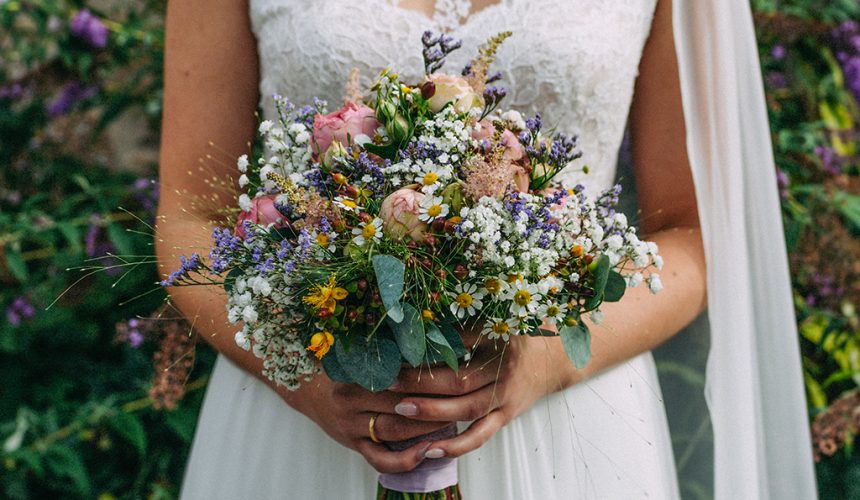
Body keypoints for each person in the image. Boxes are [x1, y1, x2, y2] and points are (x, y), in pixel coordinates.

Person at [156, 0, 816, 498]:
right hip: (304, 421)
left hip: (569, 431)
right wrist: (302, 380)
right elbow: (189, 219)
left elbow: (694, 240)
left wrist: (546, 360)